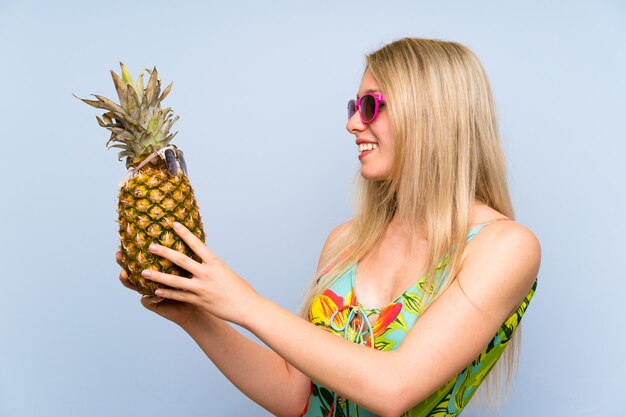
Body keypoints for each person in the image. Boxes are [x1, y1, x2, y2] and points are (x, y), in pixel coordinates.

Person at [117, 37, 541, 417]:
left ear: (433, 115)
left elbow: (394, 390)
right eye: (353, 107)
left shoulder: (504, 247)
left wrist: (244, 303)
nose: (353, 123)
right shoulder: (347, 242)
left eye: (372, 105)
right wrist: (196, 316)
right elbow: (296, 396)